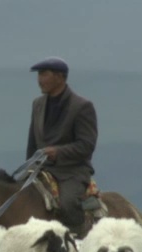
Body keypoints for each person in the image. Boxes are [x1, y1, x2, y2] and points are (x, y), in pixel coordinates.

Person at [26, 56, 98, 235]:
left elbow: (87, 145)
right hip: (42, 168)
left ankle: (77, 240)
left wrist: (58, 152)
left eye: (44, 74)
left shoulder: (82, 107)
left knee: (67, 203)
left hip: (71, 171)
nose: (39, 79)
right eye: (39, 75)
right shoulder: (38, 104)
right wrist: (29, 167)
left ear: (60, 77)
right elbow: (33, 142)